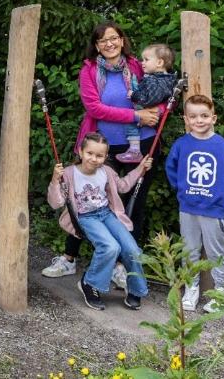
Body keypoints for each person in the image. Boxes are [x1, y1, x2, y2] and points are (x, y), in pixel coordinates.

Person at [41, 21, 160, 288]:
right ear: (96, 46)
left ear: (122, 40)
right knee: (85, 200)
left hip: (142, 143)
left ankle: (122, 267)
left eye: (114, 38)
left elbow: (160, 91)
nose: (109, 44)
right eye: (103, 40)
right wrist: (136, 115)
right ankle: (69, 258)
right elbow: (95, 108)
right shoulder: (90, 71)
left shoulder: (137, 66)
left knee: (133, 204)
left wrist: (157, 112)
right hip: (102, 147)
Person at [48, 132, 152, 311]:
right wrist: (54, 180)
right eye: (90, 153)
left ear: (105, 157)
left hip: (106, 214)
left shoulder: (107, 171)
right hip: (85, 217)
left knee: (132, 249)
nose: (94, 159)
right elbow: (56, 203)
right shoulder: (69, 174)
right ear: (81, 152)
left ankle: (135, 289)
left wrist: (140, 168)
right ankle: (90, 283)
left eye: (99, 155)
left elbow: (123, 186)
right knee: (110, 247)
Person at [165, 94, 224, 313]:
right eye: (193, 116)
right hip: (188, 207)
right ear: (186, 119)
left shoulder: (221, 146)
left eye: (204, 116)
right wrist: (182, 191)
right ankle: (191, 289)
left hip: (214, 209)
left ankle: (221, 293)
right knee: (189, 251)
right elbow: (171, 169)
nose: (199, 120)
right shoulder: (182, 144)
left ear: (213, 118)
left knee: (217, 253)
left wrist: (223, 198)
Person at [118, 43, 177, 163]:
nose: (142, 63)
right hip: (151, 115)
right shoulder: (166, 78)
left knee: (131, 124)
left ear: (159, 63)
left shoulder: (153, 79)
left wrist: (133, 95)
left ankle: (134, 150)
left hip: (146, 112)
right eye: (142, 60)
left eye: (146, 60)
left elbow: (150, 99)